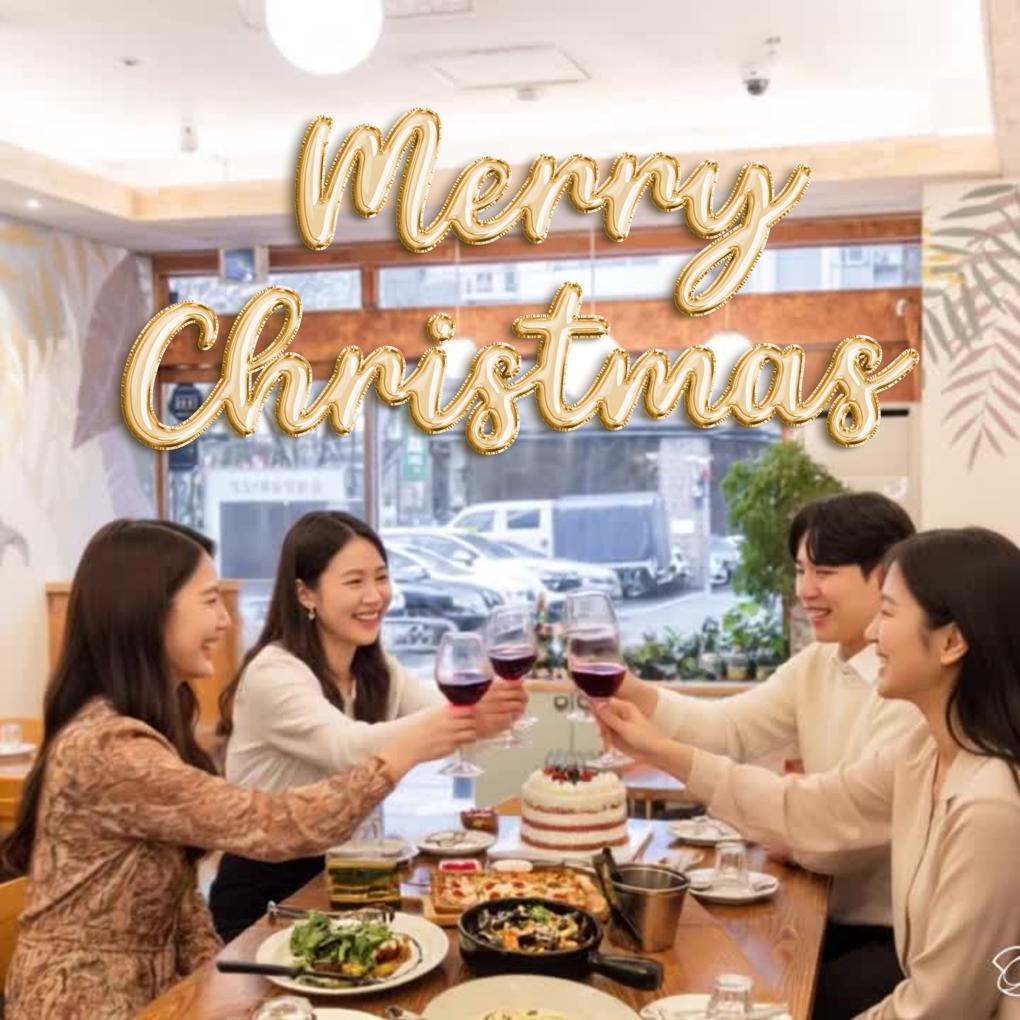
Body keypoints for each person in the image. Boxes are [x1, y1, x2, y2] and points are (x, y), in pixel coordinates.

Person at [0, 520, 478, 1020]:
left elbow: (179, 901)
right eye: (210, 600)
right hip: (83, 1003)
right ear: (148, 611)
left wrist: (220, 985)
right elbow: (276, 824)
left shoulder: (148, 723)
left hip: (154, 992)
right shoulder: (108, 748)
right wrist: (401, 753)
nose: (226, 621)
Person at [596, 527, 1020, 1020]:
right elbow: (806, 809)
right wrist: (657, 749)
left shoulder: (989, 805)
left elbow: (938, 1008)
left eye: (887, 613)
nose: (872, 634)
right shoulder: (922, 751)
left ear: (952, 642)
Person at [617, 492, 919, 1011]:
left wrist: (794, 836)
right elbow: (730, 727)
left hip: (888, 937)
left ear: (885, 577)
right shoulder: (819, 663)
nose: (805, 589)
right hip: (822, 905)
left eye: (824, 572)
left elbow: (837, 830)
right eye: (801, 570)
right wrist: (631, 690)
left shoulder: (908, 687)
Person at [210, 511, 526, 940]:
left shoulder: (374, 668)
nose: (375, 596)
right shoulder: (274, 672)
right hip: (268, 892)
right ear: (305, 594)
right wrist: (462, 716)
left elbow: (443, 725)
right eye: (354, 582)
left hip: (353, 874)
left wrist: (488, 719)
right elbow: (349, 750)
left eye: (381, 577)